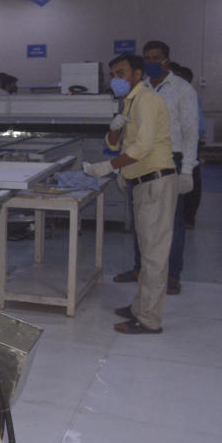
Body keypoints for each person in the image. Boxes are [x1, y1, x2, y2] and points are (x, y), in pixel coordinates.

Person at [84, 54, 176, 334]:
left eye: (121, 73)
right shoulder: (130, 102)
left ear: (137, 74)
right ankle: (140, 306)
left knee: (154, 256)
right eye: (113, 74)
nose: (116, 79)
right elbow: (116, 144)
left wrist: (107, 167)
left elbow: (142, 149)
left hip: (155, 183)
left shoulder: (146, 101)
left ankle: (149, 319)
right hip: (142, 184)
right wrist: (114, 130)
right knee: (148, 251)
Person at [111, 41, 198, 294]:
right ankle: (141, 268)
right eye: (146, 57)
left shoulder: (182, 90)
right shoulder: (138, 89)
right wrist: (120, 166)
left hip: (170, 162)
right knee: (141, 220)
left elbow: (191, 132)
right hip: (138, 162)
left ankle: (171, 275)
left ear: (167, 60)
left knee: (170, 222)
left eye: (155, 57)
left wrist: (188, 170)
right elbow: (127, 130)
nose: (150, 61)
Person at [170, 65, 204, 229]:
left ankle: (189, 218)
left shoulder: (188, 94)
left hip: (188, 144)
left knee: (190, 178)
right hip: (176, 144)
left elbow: (197, 127)